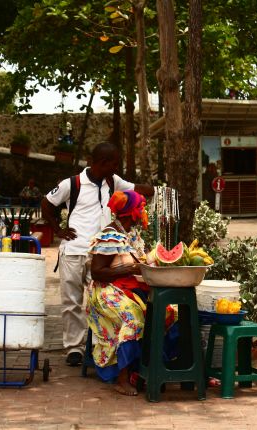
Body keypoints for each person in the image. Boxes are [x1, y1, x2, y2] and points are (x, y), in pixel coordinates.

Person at [41, 142, 153, 367]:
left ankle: (97, 346)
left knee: (99, 301)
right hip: (73, 251)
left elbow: (139, 189)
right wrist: (58, 229)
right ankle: (74, 348)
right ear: (102, 163)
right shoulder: (72, 183)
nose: (116, 166)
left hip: (100, 254)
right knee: (71, 302)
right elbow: (46, 203)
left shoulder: (114, 181)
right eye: (114, 163)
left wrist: (156, 190)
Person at [86, 190, 150, 396]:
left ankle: (141, 370)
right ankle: (121, 378)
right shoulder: (110, 235)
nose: (143, 212)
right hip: (105, 291)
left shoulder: (131, 234)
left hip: (126, 288)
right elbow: (97, 271)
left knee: (166, 312)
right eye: (141, 208)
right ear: (130, 212)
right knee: (133, 317)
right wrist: (130, 269)